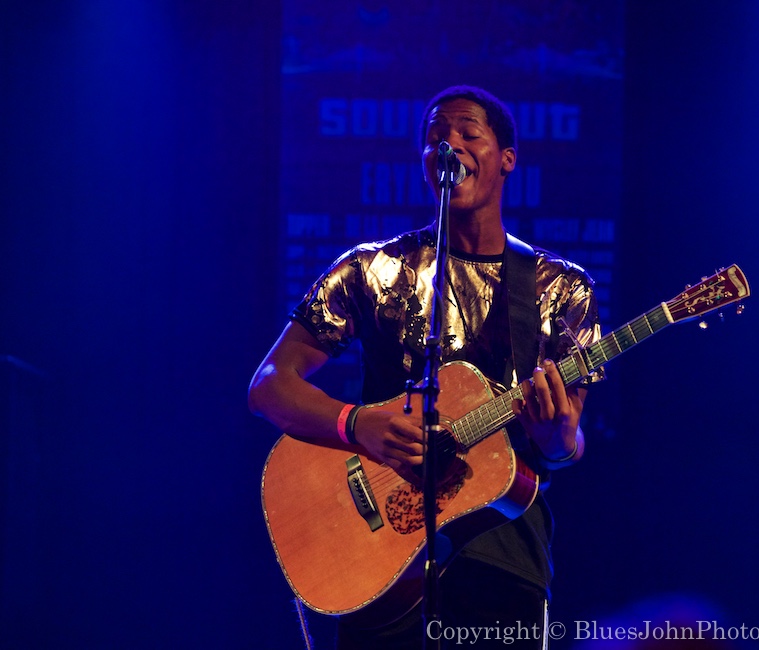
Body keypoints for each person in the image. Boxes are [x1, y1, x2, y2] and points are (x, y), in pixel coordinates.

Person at [249, 85, 603, 648]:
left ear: (506, 159)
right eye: (436, 135)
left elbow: (563, 444)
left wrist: (558, 437)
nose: (449, 143)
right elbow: (270, 385)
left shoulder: (557, 287)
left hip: (501, 553)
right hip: (380, 554)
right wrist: (356, 424)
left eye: (468, 133)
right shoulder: (371, 269)